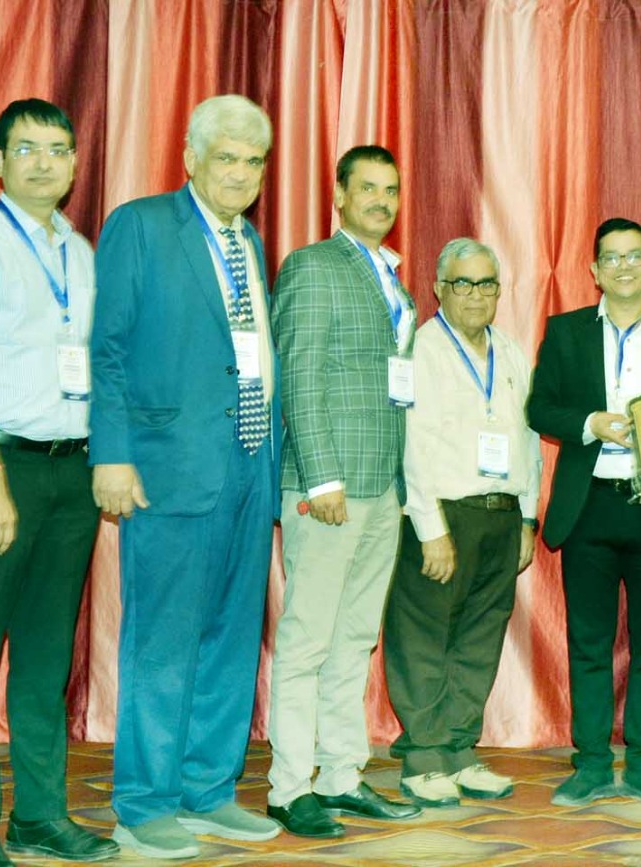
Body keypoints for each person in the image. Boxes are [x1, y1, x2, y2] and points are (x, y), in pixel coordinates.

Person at [89, 94, 283, 859]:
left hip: (249, 464)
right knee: (163, 640)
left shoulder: (249, 240)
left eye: (253, 160)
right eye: (226, 157)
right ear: (190, 157)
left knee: (232, 636)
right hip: (168, 468)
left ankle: (208, 789)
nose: (240, 172)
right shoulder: (140, 226)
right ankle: (143, 803)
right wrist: (111, 453)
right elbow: (107, 348)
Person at [0, 98, 118, 866]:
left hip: (70, 473)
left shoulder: (80, 251)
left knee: (45, 658)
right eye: (27, 148)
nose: (44, 162)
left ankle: (41, 814)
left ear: (74, 163)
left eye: (57, 149)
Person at [527, 217, 641, 809]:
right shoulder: (566, 331)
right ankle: (589, 763)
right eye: (611, 257)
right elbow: (539, 408)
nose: (624, 267)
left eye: (635, 256)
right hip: (589, 507)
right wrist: (590, 423)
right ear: (594, 270)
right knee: (589, 643)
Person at [266, 144, 421, 838]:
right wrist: (320, 475)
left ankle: (340, 774)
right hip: (328, 486)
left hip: (381, 485)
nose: (381, 201)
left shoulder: (392, 277)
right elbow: (299, 373)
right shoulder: (313, 265)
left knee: (355, 636)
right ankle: (288, 786)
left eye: (391, 190)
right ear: (339, 194)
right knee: (307, 638)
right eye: (368, 188)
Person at [383, 238, 539, 807]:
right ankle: (423, 756)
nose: (476, 295)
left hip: (501, 516)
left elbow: (528, 440)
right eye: (463, 283)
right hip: (443, 516)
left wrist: (527, 517)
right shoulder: (419, 349)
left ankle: (457, 749)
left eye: (487, 284)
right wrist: (430, 528)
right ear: (439, 289)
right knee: (423, 637)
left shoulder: (511, 351)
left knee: (479, 637)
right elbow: (409, 442)